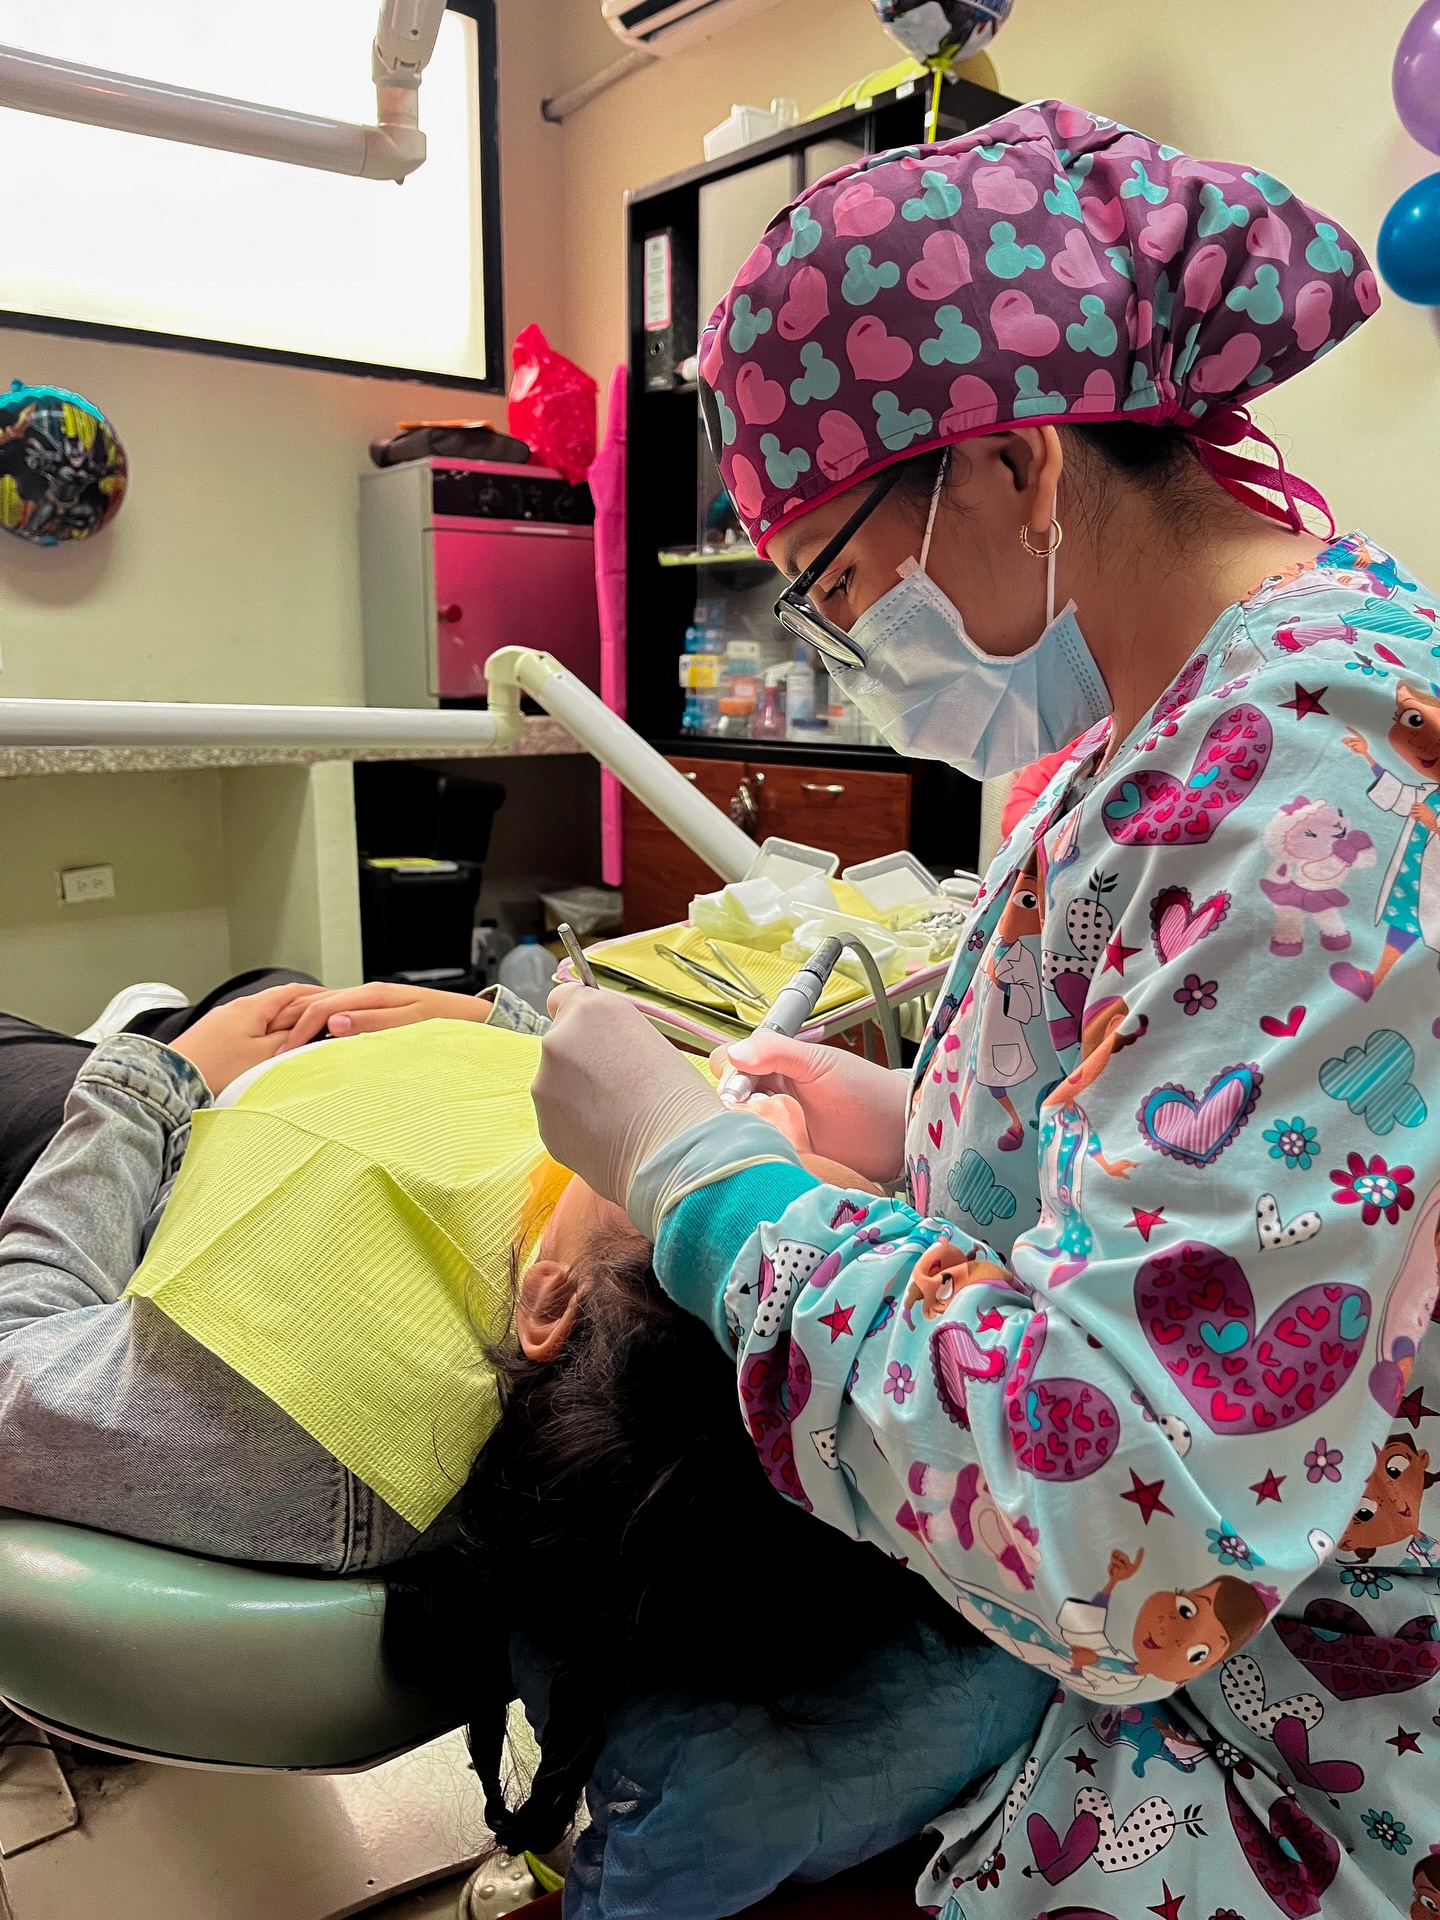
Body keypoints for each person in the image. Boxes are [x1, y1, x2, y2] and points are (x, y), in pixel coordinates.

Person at [531, 101, 1440, 1919]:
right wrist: (882, 1125)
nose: (856, 659)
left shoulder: (1307, 784)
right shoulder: (1165, 744)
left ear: (1019, 465)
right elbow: (1162, 1156)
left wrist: (698, 1178)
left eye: (846, 589)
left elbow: (1135, 1524)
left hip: (1292, 1734)